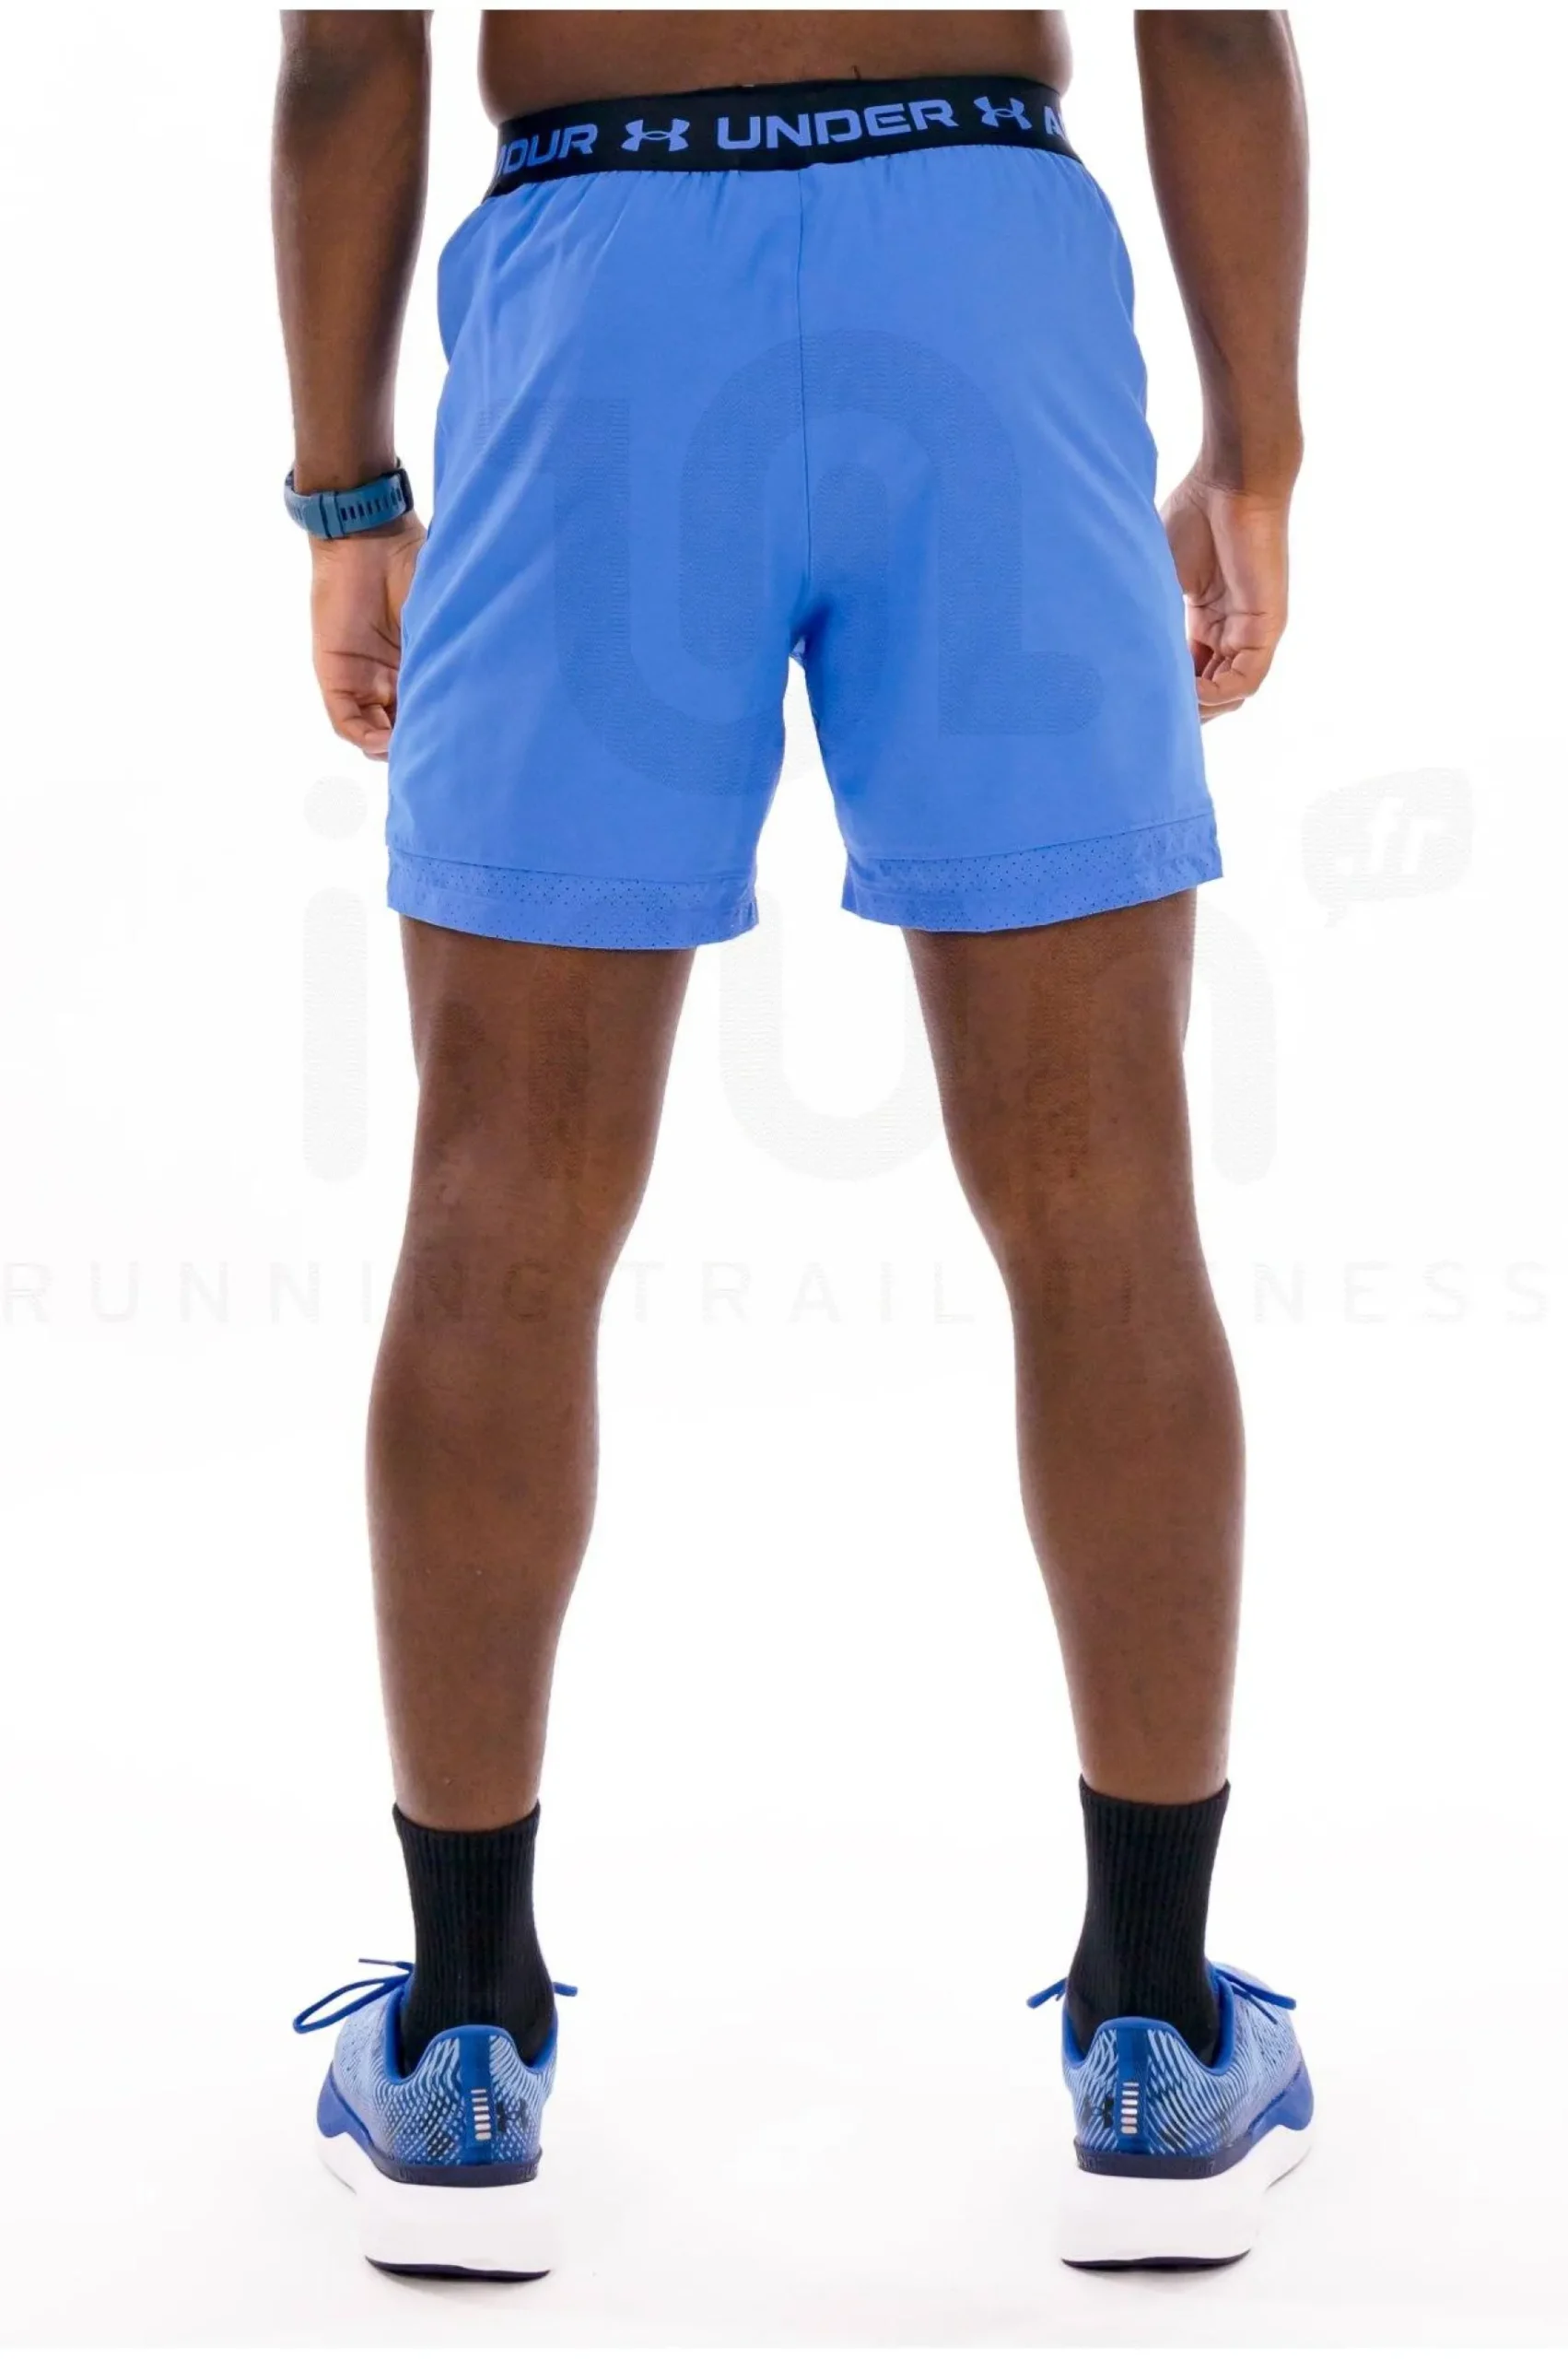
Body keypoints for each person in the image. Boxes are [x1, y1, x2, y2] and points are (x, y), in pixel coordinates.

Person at [275, 8, 1310, 2279]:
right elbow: (1214, 20)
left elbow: (348, 50)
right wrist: (1256, 441)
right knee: (1105, 1198)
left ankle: (461, 2039)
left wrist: (344, 496)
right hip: (980, 260)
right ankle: (1154, 2029)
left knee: (495, 1197)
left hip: (603, 283)